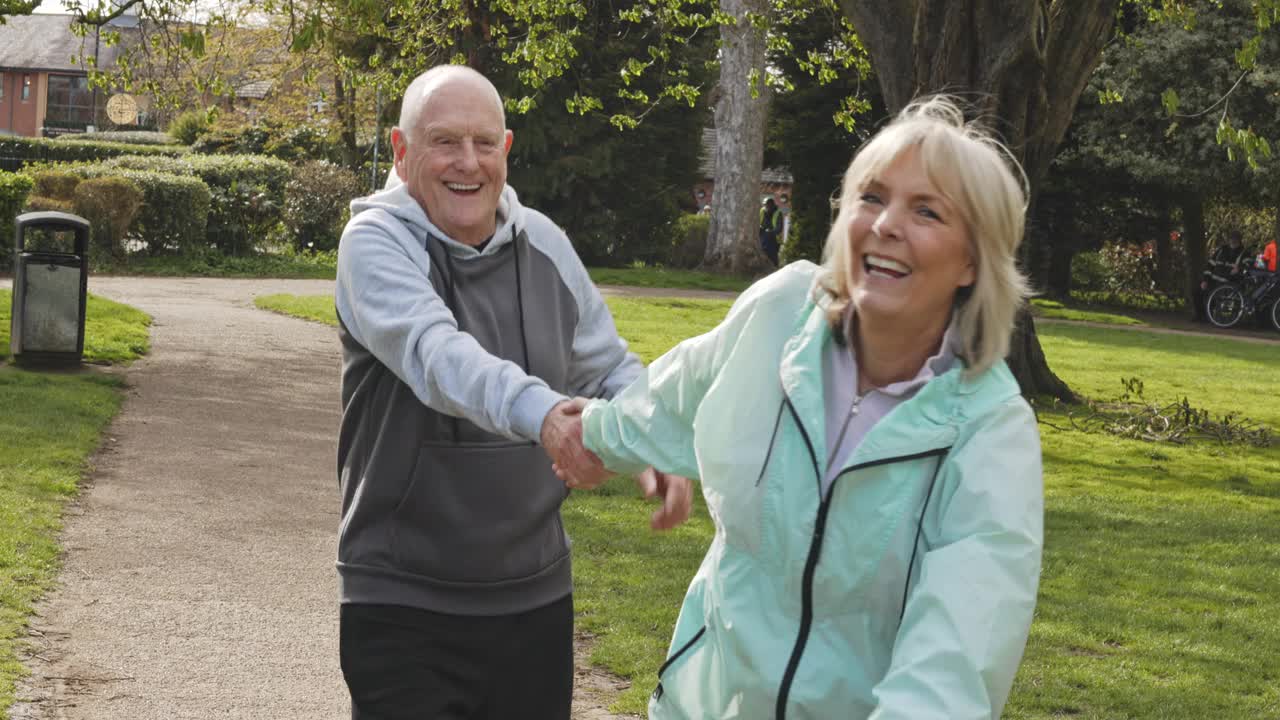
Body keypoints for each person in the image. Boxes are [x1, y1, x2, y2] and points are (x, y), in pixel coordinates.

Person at [556, 96, 1044, 718]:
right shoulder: (782, 311)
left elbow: (956, 659)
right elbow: (669, 399)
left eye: (926, 211)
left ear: (973, 260)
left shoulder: (990, 432)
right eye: (872, 197)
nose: (887, 224)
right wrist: (587, 437)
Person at [333, 65, 692, 720]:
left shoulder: (546, 245)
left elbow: (607, 364)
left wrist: (650, 439)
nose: (467, 162)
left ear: (507, 148)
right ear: (401, 150)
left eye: (484, 142)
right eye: (445, 141)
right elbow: (442, 358)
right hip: (401, 603)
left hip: (534, 601)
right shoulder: (374, 244)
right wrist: (548, 417)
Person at [1195, 230, 1247, 321]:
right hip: (1213, 280)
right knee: (1196, 291)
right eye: (1231, 239)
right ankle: (1201, 316)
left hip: (1229, 283)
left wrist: (1239, 269)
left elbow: (1247, 265)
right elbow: (1210, 265)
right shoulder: (1221, 250)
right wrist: (1205, 280)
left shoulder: (1244, 253)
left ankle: (1227, 318)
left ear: (1239, 240)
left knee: (1220, 295)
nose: (1233, 241)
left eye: (1235, 239)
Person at [759, 196, 782, 265]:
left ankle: (774, 267)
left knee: (773, 257)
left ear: (772, 205)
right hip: (763, 237)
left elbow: (779, 228)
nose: (767, 207)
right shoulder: (762, 211)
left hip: (774, 239)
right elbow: (758, 223)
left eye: (768, 205)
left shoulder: (778, 213)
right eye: (765, 205)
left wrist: (770, 232)